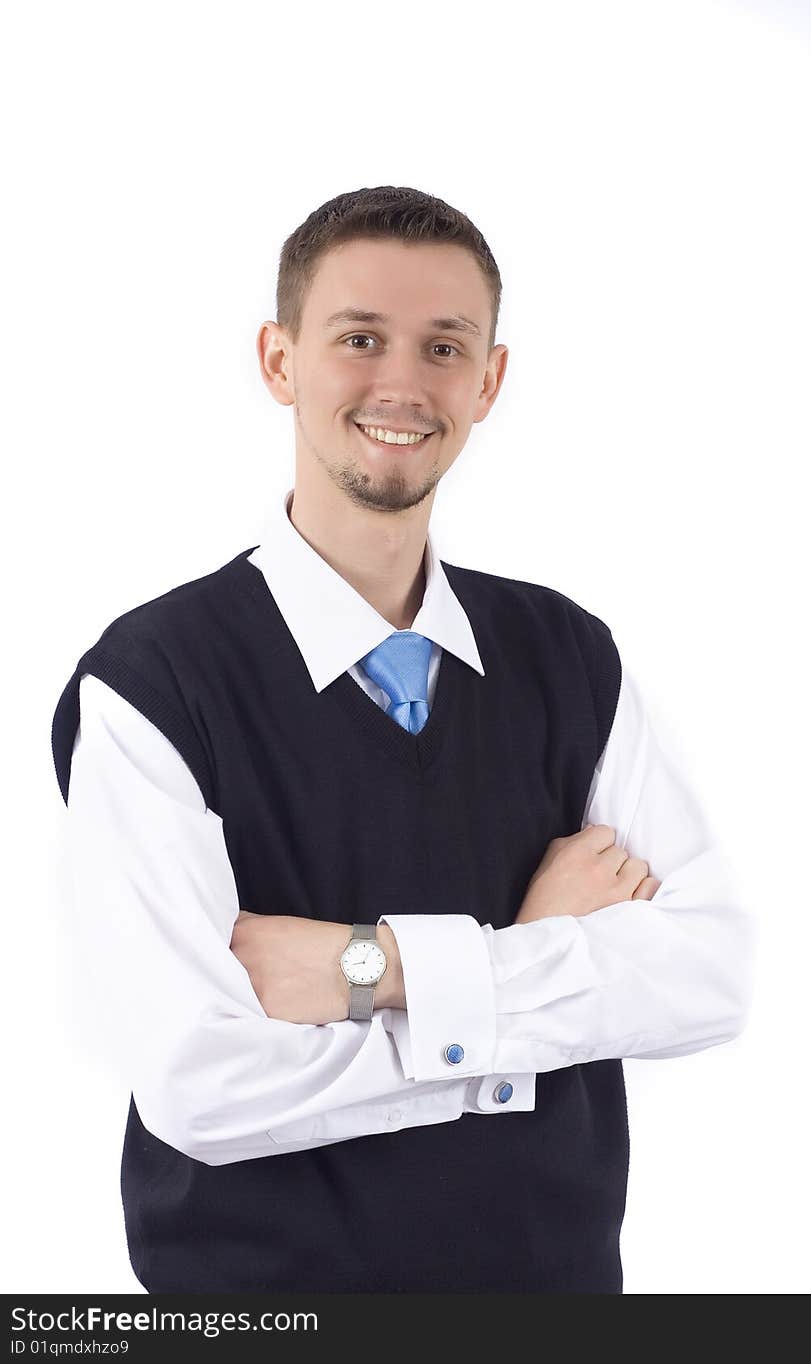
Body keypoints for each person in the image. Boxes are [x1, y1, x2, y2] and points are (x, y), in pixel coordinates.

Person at [50, 184, 756, 1294]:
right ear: (280, 361)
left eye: (444, 347)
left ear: (489, 380)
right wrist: (534, 978)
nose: (403, 383)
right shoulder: (149, 684)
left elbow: (708, 974)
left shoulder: (570, 655)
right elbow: (203, 1080)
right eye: (359, 339)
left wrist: (363, 969)